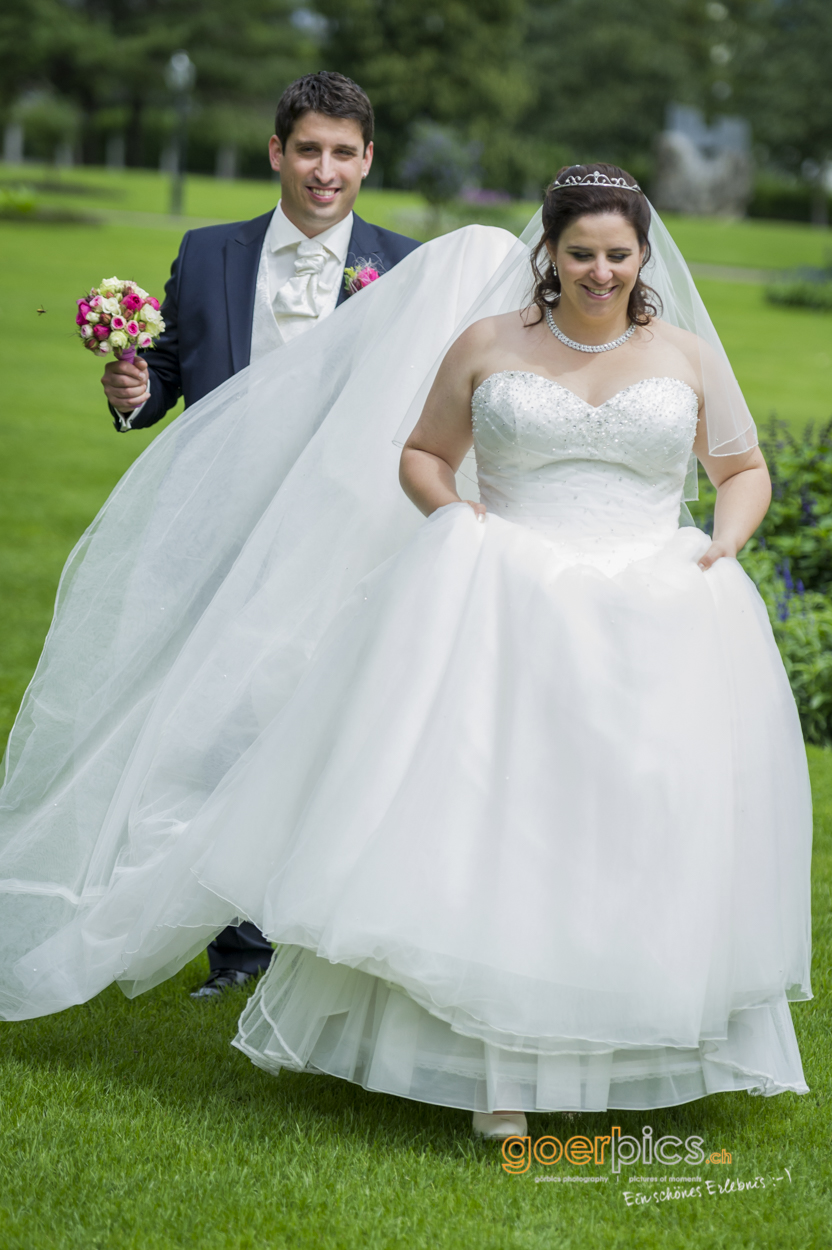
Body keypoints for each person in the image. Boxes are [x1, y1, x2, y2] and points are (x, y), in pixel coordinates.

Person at [0, 168, 810, 1141]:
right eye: (582, 252)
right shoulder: (488, 342)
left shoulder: (680, 353)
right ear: (549, 251)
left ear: (643, 257)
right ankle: (493, 1064)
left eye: (617, 254)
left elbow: (741, 466)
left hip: (652, 602)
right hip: (505, 593)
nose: (599, 271)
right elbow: (422, 451)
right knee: (497, 820)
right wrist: (456, 516)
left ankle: (621, 1036)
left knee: (631, 819)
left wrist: (721, 540)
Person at [100, 70, 420, 999]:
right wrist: (134, 396)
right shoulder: (208, 255)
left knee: (325, 728)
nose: (326, 171)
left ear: (369, 160)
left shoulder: (405, 268)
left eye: (344, 153)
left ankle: (321, 943)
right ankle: (236, 952)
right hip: (221, 537)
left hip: (346, 541)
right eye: (308, 150)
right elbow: (169, 371)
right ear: (277, 152)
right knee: (217, 732)